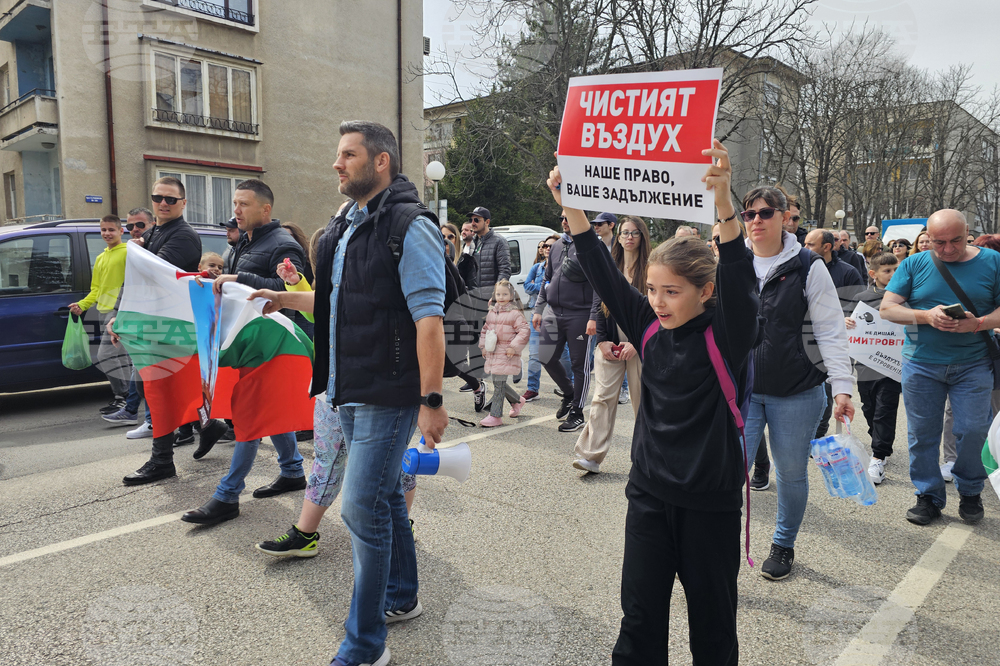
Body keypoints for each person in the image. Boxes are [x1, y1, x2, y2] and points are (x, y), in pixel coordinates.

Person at [547, 139, 758, 665]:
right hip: (648, 495)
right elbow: (600, 269)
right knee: (639, 621)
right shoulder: (645, 323)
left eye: (671, 291)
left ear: (704, 292)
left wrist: (725, 204)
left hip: (709, 504)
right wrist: (572, 206)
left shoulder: (727, 333)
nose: (657, 302)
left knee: (712, 627)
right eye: (652, 289)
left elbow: (739, 277)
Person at [249, 121, 448, 666]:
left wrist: (432, 401)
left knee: (361, 508)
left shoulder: (410, 225)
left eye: (348, 155)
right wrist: (280, 298)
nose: (337, 164)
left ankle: (365, 645)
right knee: (385, 498)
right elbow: (333, 303)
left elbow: (429, 320)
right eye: (338, 155)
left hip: (388, 393)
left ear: (381, 161)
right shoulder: (344, 223)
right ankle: (402, 596)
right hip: (346, 389)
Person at [740, 184, 855, 581]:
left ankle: (783, 543)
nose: (756, 220)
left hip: (797, 390)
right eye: (749, 214)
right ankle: (719, 541)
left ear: (785, 217)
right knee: (729, 470)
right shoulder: (734, 261)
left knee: (790, 472)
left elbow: (830, 329)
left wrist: (842, 387)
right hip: (744, 390)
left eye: (765, 213)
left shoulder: (808, 265)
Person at [179, 179, 308, 526]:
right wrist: (213, 279)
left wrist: (239, 279)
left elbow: (292, 290)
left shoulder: (283, 244)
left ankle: (227, 495)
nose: (236, 210)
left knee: (248, 415)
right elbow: (235, 284)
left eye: (243, 204)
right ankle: (293, 471)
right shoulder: (242, 242)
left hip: (274, 347)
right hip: (249, 345)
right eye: (235, 203)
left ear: (265, 209)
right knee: (267, 411)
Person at [880, 209, 1000, 526]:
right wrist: (926, 316)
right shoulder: (915, 263)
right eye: (938, 242)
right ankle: (928, 495)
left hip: (973, 363)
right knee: (922, 435)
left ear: (968, 232)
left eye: (955, 241)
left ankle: (970, 490)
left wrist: (980, 323)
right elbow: (887, 308)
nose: (947, 249)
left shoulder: (992, 261)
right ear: (928, 237)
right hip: (921, 363)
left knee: (973, 431)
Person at [115, 176, 203, 485]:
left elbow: (154, 277)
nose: (163, 203)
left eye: (170, 199)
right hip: (155, 323)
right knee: (159, 390)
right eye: (158, 198)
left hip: (170, 325)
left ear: (183, 203)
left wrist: (137, 252)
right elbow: (134, 279)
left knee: (162, 391)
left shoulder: (184, 236)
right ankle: (207, 425)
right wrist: (118, 315)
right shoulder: (153, 232)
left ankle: (163, 459)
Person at [572, 215, 650, 473]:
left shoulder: (651, 267)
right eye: (625, 232)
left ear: (642, 236)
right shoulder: (610, 263)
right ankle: (591, 455)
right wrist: (603, 339)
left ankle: (646, 459)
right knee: (602, 398)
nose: (629, 237)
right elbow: (599, 301)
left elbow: (655, 310)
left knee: (643, 401)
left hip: (642, 342)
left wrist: (638, 343)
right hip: (611, 340)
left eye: (635, 232)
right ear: (618, 236)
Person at [937, 233, 1000, 482]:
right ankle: (953, 460)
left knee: (989, 413)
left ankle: (989, 460)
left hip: (988, 354)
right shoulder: (953, 271)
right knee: (955, 411)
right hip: (972, 354)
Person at [533, 208, 597, 433]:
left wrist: (593, 316)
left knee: (580, 365)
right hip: (554, 312)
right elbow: (547, 278)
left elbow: (600, 285)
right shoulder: (558, 245)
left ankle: (578, 412)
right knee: (545, 356)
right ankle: (569, 393)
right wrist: (539, 309)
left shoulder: (591, 246)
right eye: (561, 217)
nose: (564, 221)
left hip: (580, 314)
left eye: (568, 216)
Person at [844, 253, 902, 484]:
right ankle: (877, 437)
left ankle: (878, 454)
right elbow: (848, 321)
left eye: (896, 269)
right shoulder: (862, 298)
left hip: (892, 365)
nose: (893, 274)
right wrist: (845, 321)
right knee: (869, 407)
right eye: (887, 271)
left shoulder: (905, 297)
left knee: (885, 409)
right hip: (866, 364)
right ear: (873, 274)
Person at [803, 229, 864, 439]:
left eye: (810, 245)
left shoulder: (848, 272)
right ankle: (813, 438)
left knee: (829, 394)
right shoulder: (802, 269)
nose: (805, 248)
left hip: (836, 338)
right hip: (808, 342)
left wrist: (844, 317)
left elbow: (860, 302)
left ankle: (818, 438)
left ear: (826, 247)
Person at [102, 207, 157, 425]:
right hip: (135, 315)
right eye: (131, 226)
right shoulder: (134, 250)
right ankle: (136, 412)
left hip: (156, 317)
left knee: (149, 369)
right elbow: (128, 286)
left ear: (152, 225)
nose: (135, 229)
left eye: (140, 225)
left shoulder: (151, 248)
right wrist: (118, 314)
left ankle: (146, 417)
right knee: (140, 367)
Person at [70, 214, 130, 415]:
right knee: (120, 356)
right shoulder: (100, 257)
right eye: (103, 230)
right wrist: (82, 304)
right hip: (104, 312)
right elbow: (96, 289)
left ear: (121, 231)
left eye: (111, 229)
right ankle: (127, 399)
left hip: (120, 313)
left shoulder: (128, 253)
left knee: (105, 355)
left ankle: (123, 397)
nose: (107, 233)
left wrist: (122, 311)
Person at [461, 206, 511, 393]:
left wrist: (497, 296)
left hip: (490, 300)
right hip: (473, 298)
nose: (473, 223)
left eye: (477, 220)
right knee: (474, 340)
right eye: (472, 220)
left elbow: (505, 270)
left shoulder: (499, 241)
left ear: (487, 222)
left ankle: (505, 382)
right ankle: (477, 379)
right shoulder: (473, 242)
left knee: (494, 342)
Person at [478, 280, 530, 427]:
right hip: (493, 352)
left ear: (511, 295)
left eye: (505, 294)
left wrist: (513, 347)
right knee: (497, 382)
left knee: (499, 385)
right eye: (498, 294)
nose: (501, 297)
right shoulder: (492, 311)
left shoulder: (515, 313)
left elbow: (524, 331)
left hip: (507, 354)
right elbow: (485, 330)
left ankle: (495, 416)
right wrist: (483, 346)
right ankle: (517, 400)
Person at [522, 235, 558, 402]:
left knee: (562, 355)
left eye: (551, 246)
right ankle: (532, 388)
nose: (547, 248)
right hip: (537, 314)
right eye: (545, 246)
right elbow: (526, 286)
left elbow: (562, 289)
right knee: (534, 354)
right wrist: (545, 286)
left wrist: (543, 287)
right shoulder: (537, 267)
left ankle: (570, 387)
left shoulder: (563, 267)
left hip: (557, 316)